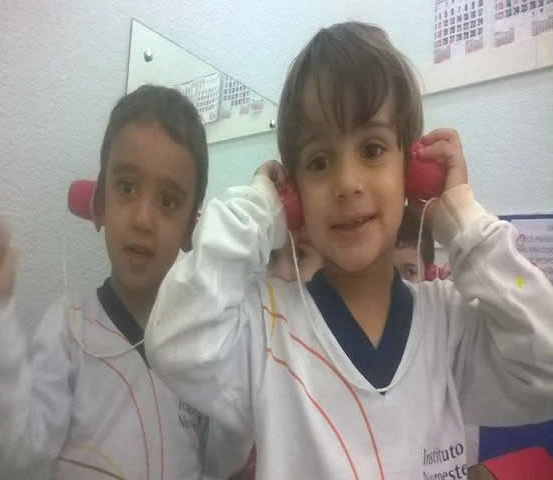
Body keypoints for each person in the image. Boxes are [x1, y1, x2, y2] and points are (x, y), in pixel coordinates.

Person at [144, 22, 553, 479]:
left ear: (411, 170)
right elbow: (173, 341)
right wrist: (259, 208)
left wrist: (463, 220)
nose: (347, 183)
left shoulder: (449, 327)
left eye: (372, 149)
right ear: (294, 195)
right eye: (320, 161)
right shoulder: (266, 331)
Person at [0, 85, 230, 479]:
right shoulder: (70, 330)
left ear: (191, 228)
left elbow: (220, 463)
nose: (142, 219)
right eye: (127, 188)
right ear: (100, 204)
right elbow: (13, 458)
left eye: (168, 201)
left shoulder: (204, 346)